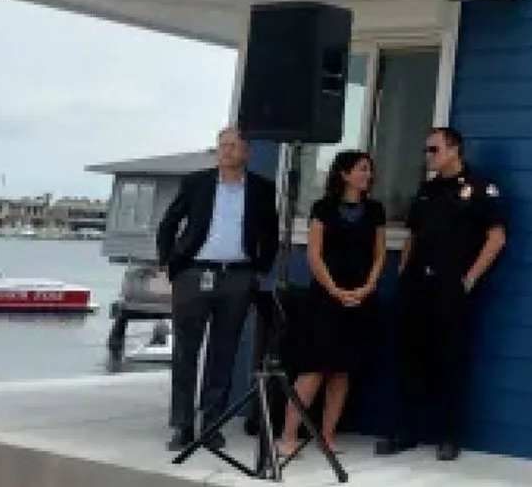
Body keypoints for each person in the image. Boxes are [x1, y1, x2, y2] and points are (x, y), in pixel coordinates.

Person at [378, 126, 507, 461]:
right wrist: (405, 273)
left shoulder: (480, 187)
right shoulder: (427, 190)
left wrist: (470, 278)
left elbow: (496, 238)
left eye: (433, 150)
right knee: (410, 360)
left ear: (454, 150)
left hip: (451, 288)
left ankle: (449, 436)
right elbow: (413, 237)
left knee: (450, 361)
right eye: (427, 150)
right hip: (417, 286)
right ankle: (405, 431)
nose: (428, 156)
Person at [156, 125, 280, 452]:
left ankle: (213, 424)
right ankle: (182, 425)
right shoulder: (196, 183)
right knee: (186, 351)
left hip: (237, 276)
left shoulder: (262, 189)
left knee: (223, 353)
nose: (226, 151)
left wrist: (259, 270)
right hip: (194, 274)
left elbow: (271, 232)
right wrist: (169, 263)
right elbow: (169, 223)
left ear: (246, 152)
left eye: (233, 145)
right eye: (222, 145)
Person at [276, 150, 387, 458]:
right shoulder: (323, 208)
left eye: (370, 170)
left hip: (361, 297)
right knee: (313, 368)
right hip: (326, 297)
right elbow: (314, 255)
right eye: (362, 169)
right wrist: (336, 290)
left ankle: (327, 435)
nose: (368, 175)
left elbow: (379, 255)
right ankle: (288, 436)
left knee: (342, 371)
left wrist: (368, 286)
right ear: (344, 174)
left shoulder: (376, 210)